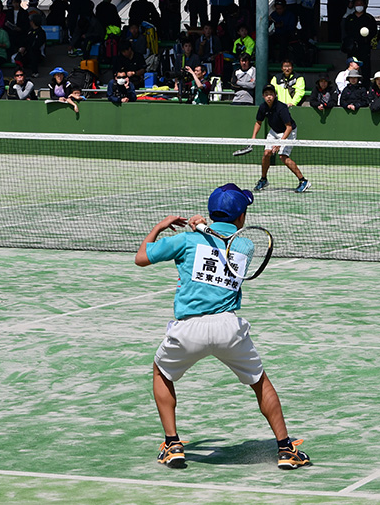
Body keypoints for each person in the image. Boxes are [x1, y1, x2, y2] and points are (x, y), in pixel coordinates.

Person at [133, 184, 311, 471]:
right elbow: (221, 243)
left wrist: (162, 226)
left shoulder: (187, 241)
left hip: (188, 329)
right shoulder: (245, 245)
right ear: (240, 218)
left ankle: (172, 444)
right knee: (260, 383)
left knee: (161, 372)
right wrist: (200, 229)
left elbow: (141, 258)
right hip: (229, 329)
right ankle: (286, 449)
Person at [249, 86, 309, 192]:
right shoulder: (263, 107)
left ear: (275, 95)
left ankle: (303, 181)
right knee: (267, 153)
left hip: (288, 131)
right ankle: (263, 179)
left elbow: (289, 127)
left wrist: (279, 143)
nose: (269, 97)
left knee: (283, 156)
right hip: (274, 131)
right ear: (263, 96)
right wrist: (253, 137)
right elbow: (258, 122)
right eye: (266, 94)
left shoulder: (281, 108)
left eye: (271, 94)